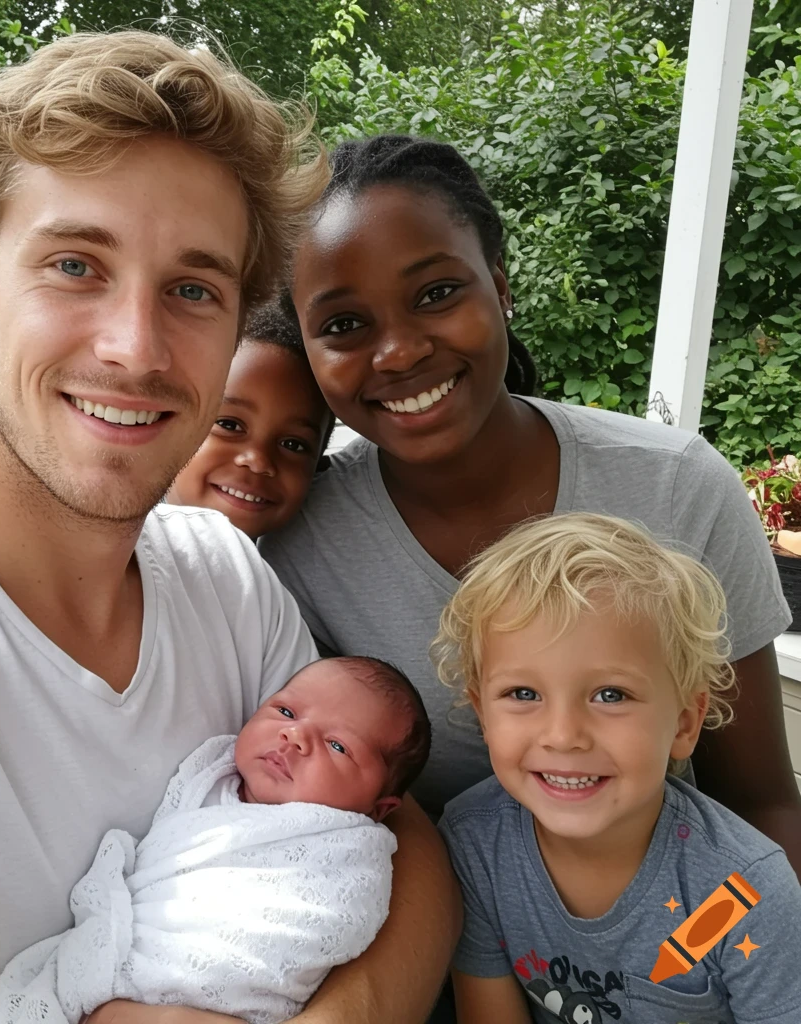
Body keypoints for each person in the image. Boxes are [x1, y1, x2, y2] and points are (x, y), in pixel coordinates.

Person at [0, 44, 459, 1024]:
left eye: (192, 289)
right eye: (74, 265)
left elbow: (401, 841)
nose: (134, 347)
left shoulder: (224, 582)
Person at [260, 133, 801, 873]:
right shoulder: (303, 541)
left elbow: (762, 803)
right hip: (438, 951)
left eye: (436, 293)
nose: (398, 352)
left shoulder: (676, 488)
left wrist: (723, 965)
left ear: (502, 290)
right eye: (345, 325)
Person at [433, 513, 801, 1023]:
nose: (562, 735)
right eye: (523, 693)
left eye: (611, 695)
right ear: (482, 714)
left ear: (685, 724)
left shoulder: (739, 894)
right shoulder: (474, 845)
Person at [0, 657, 431, 1024]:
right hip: (122, 966)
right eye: (286, 712)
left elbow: (317, 925)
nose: (294, 735)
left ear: (378, 808)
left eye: (338, 746)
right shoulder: (207, 781)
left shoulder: (346, 853)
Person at [167, 294, 334, 539]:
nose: (257, 460)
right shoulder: (112, 556)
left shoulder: (288, 570)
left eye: (293, 444)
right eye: (229, 425)